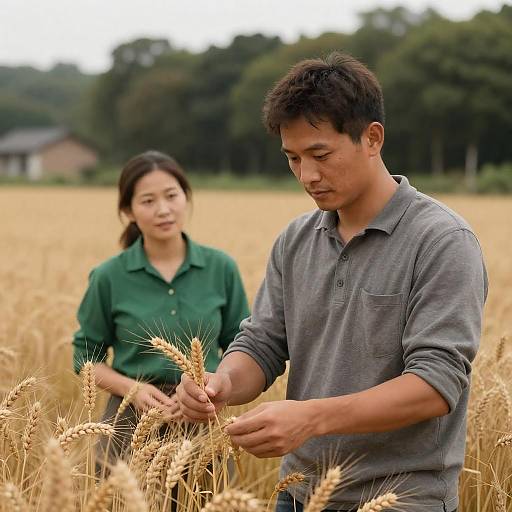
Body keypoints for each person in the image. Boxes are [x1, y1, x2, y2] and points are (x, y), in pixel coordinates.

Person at [176, 53, 488, 511]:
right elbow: (263, 344)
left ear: (372, 138)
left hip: (403, 500)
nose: (307, 176)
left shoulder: (442, 240)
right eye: (293, 158)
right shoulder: (296, 240)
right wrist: (220, 382)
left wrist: (312, 418)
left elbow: (435, 385)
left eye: (320, 154)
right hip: (300, 494)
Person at [73, 150, 249, 463]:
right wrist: (133, 389)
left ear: (186, 196)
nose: (163, 210)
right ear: (128, 210)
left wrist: (208, 390)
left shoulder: (221, 268)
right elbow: (86, 358)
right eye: (148, 201)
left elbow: (243, 345)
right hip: (128, 422)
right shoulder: (108, 277)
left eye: (171, 195)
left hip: (201, 418)